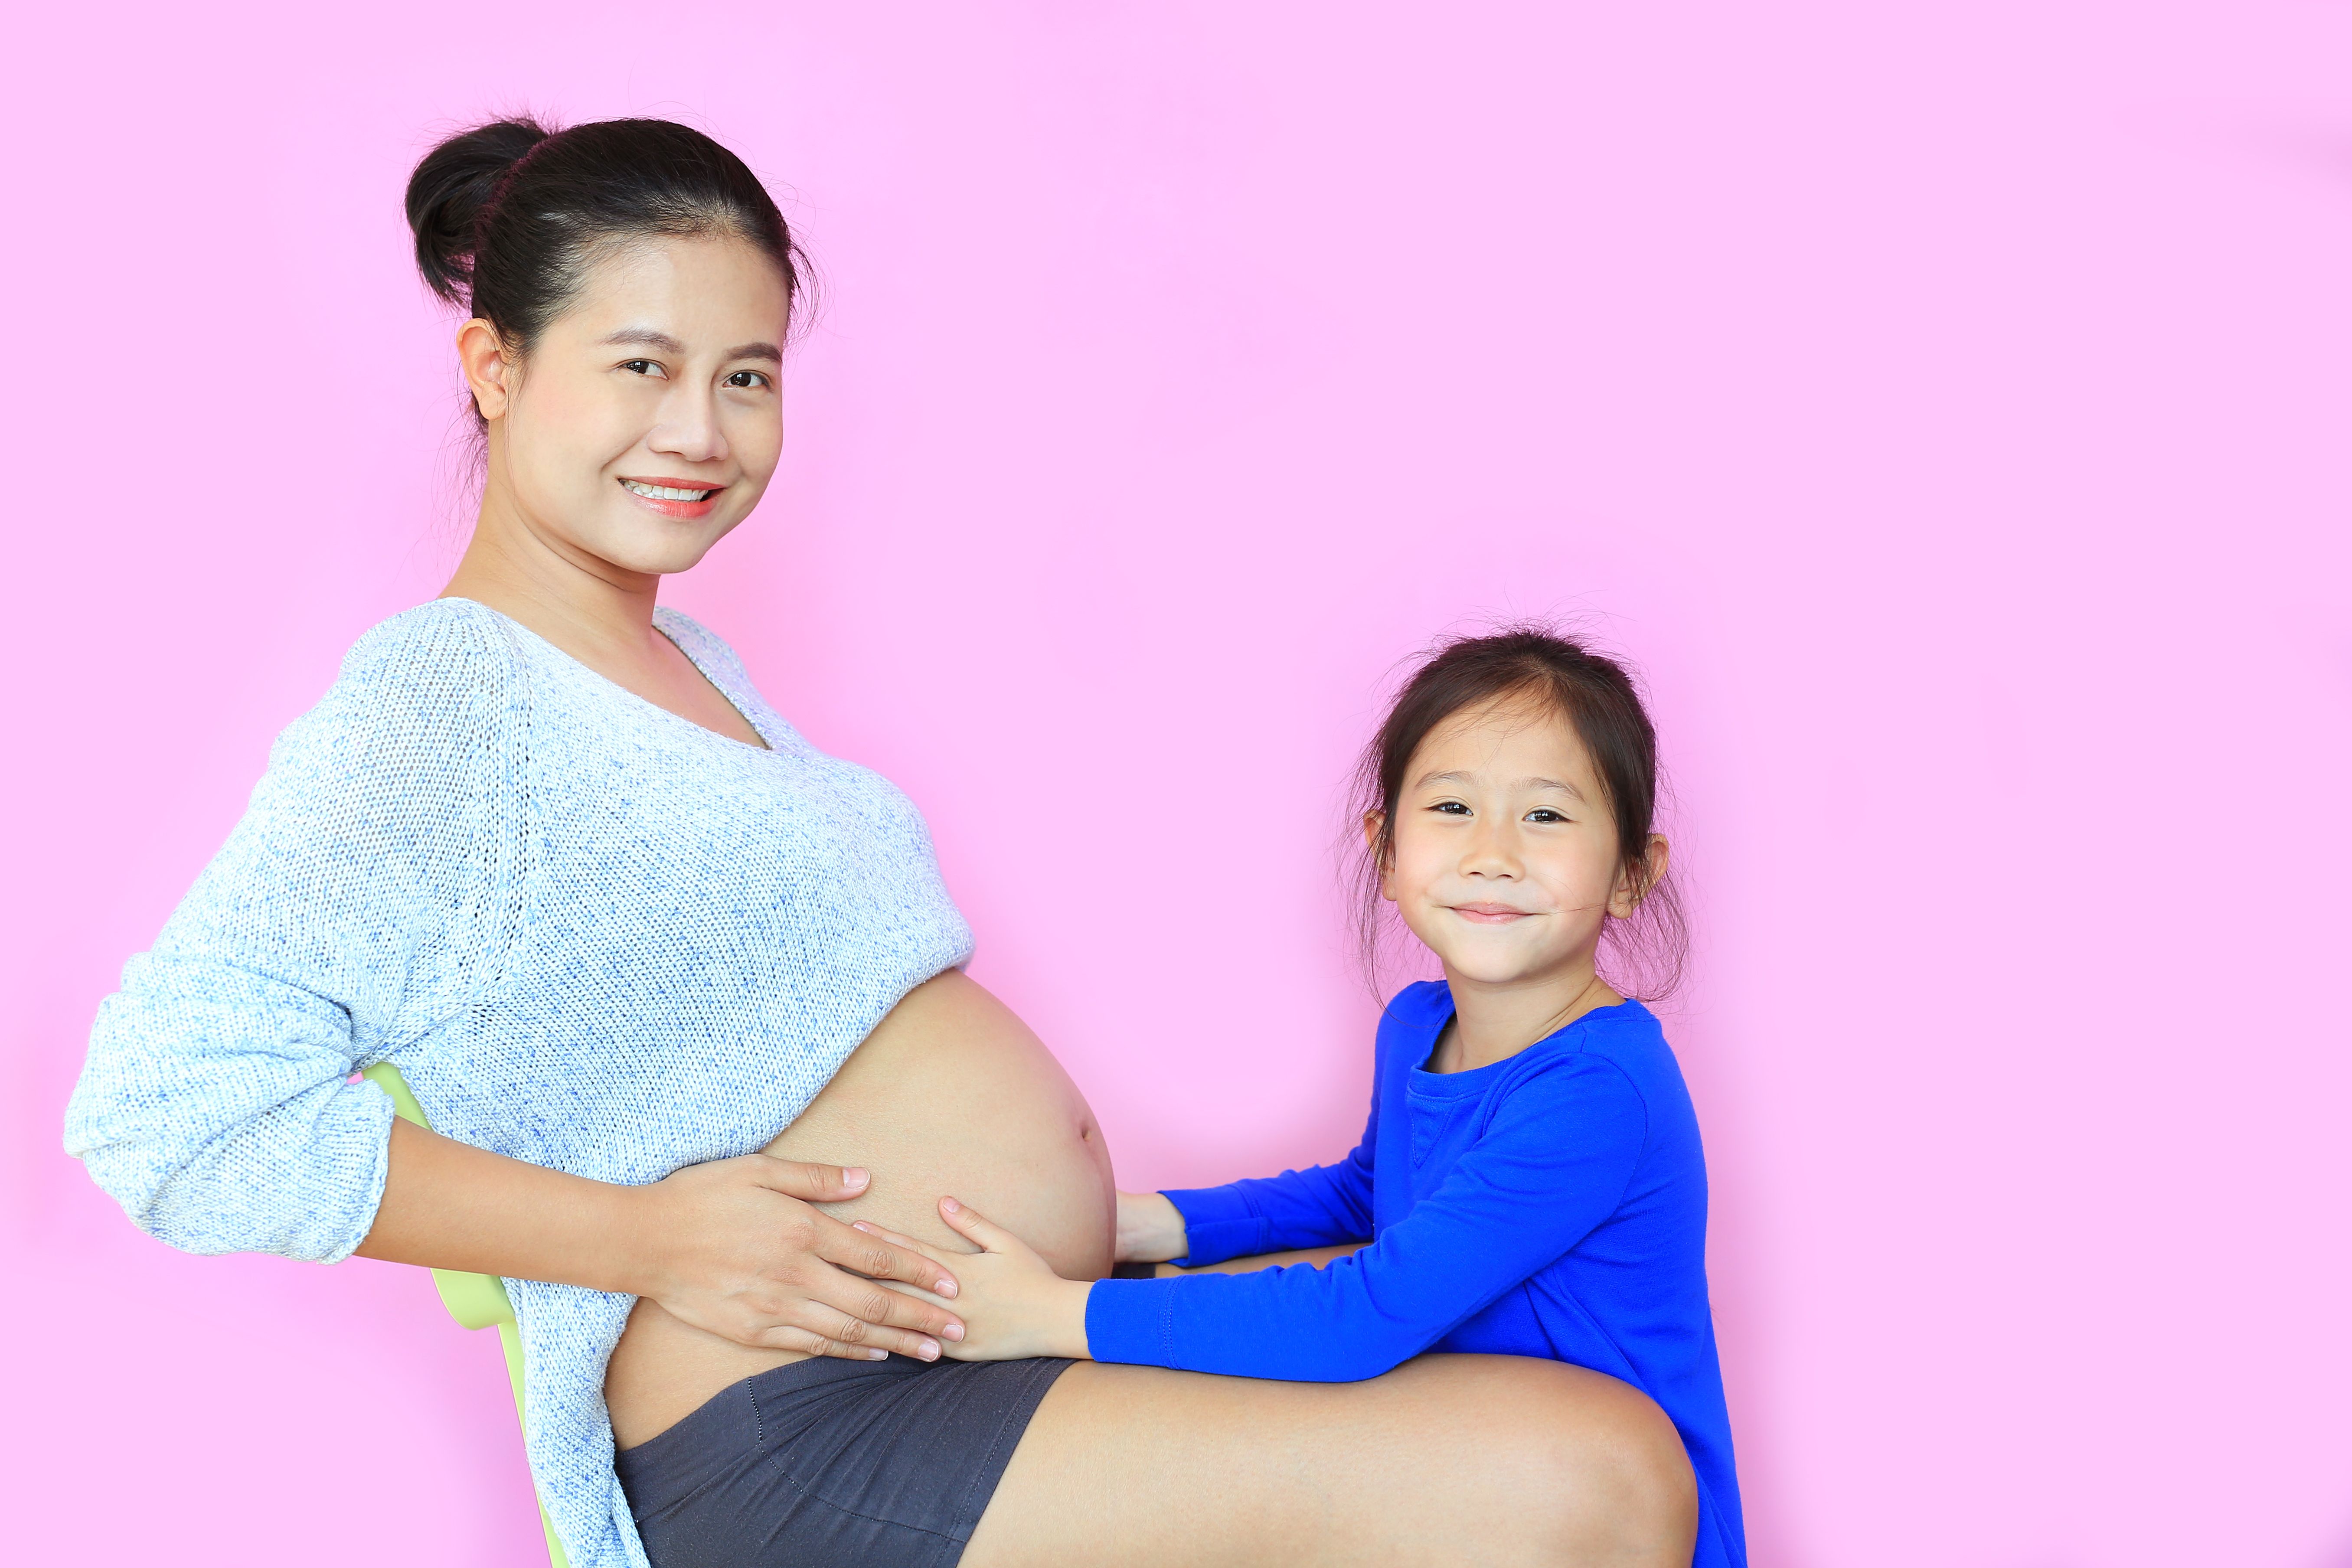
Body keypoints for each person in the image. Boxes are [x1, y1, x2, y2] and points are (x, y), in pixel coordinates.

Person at [63, 115, 1699, 1568]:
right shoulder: (443, 700)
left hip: (942, 1367)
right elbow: (167, 1113)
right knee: (1593, 1477)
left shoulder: (687, 666)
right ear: (497, 368)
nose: (698, 429)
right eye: (640, 364)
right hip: (796, 1429)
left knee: (1591, 1452)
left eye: (747, 373)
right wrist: (644, 1234)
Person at [860, 629, 1744, 1568]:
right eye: (1453, 806)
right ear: (1387, 847)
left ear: (1631, 873)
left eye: (1548, 817)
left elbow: (1368, 1311)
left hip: (1576, 1518)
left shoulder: (1596, 1093)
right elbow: (1367, 1194)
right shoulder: (1420, 1022)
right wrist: (1151, 1224)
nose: (1493, 853)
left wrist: (1057, 1313)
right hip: (1457, 1463)